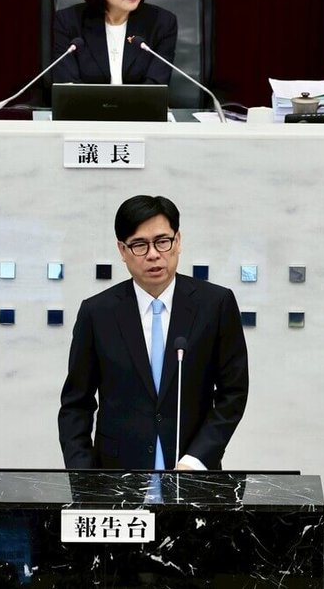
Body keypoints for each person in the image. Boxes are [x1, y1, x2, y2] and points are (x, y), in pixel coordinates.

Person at [58, 195, 249, 471]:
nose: (153, 254)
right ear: (122, 250)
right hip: (116, 477)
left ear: (178, 241)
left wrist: (197, 459)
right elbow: (76, 404)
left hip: (192, 474)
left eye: (162, 241)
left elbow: (233, 393)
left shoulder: (215, 305)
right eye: (139, 245)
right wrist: (84, 476)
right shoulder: (97, 313)